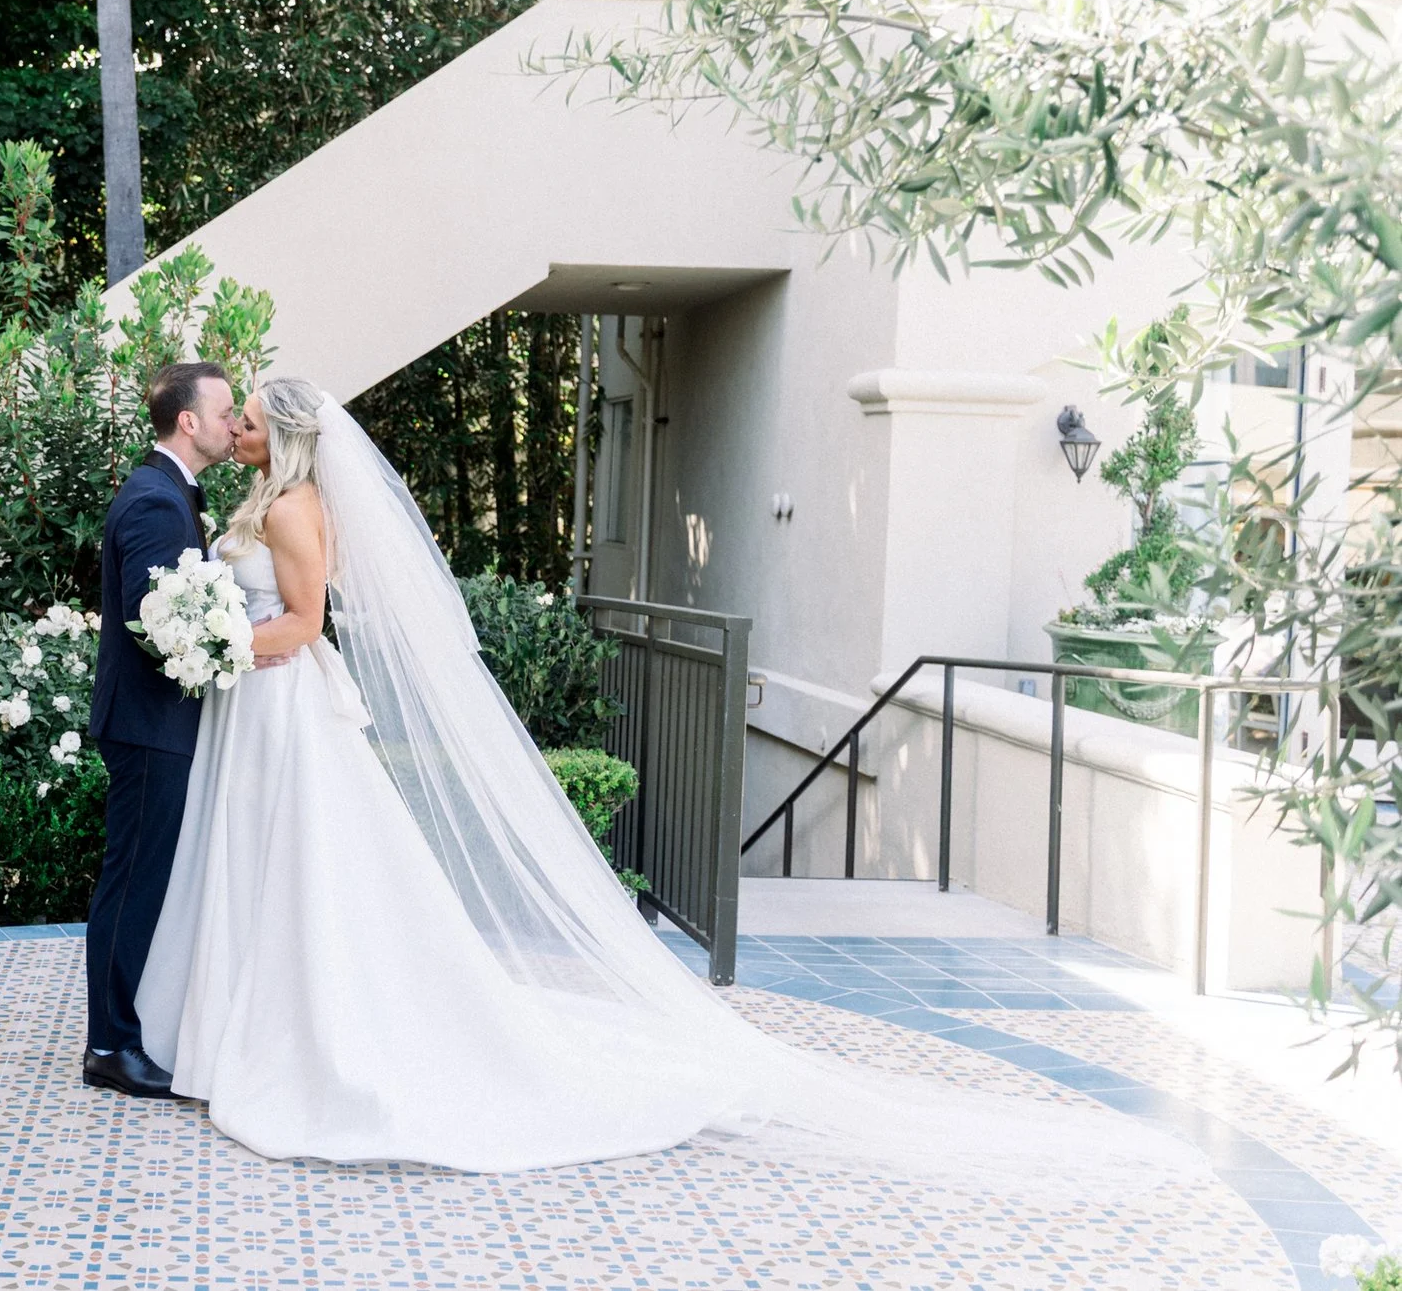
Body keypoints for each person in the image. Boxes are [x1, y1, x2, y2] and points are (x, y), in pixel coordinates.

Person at [130, 377, 1202, 1188]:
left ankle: (295, 1035)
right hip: (261, 715)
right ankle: (241, 1026)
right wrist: (220, 635)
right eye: (237, 418)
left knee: (299, 872)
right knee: (264, 868)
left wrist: (223, 642)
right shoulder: (267, 500)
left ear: (288, 433)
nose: (241, 429)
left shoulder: (291, 508)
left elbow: (309, 622)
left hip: (281, 709)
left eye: (255, 418)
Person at [80, 359, 238, 1099]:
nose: (234, 425)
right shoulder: (154, 500)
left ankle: (124, 1028)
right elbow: (157, 619)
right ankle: (109, 1044)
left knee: (143, 879)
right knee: (132, 881)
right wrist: (232, 648)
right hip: (148, 723)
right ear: (189, 421)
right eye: (226, 412)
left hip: (157, 721)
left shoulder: (169, 492)